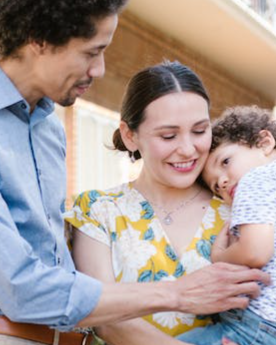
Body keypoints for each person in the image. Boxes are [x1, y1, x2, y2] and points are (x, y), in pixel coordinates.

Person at [0, 0, 269, 343]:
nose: (100, 69)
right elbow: (20, 289)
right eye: (91, 52)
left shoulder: (48, 127)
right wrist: (177, 293)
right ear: (37, 39)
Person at [65, 61, 247, 345]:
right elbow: (103, 317)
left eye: (199, 131)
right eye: (168, 135)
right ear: (130, 135)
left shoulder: (237, 211)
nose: (188, 149)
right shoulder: (99, 210)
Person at [177, 106, 276, 345]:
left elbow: (255, 252)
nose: (222, 181)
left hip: (259, 324)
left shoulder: (255, 179)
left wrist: (219, 255)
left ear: (264, 142)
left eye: (226, 161)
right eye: (215, 187)